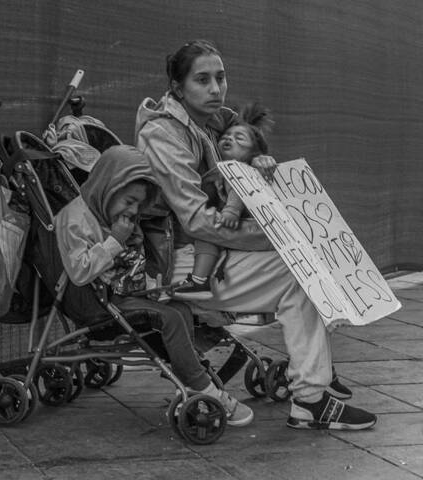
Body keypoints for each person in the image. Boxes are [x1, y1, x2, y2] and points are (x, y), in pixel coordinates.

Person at [134, 39, 375, 430]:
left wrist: (261, 160)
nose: (216, 89)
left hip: (207, 251)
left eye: (221, 77)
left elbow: (245, 168)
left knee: (304, 264)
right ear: (178, 88)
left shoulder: (212, 123)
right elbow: (196, 220)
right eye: (202, 80)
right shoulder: (163, 134)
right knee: (299, 271)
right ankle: (312, 396)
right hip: (174, 266)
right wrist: (280, 236)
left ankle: (314, 385)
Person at [54, 144, 254, 426]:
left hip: (121, 294)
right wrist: (115, 242)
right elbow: (79, 272)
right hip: (95, 302)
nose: (133, 209)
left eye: (138, 204)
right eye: (129, 200)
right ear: (107, 186)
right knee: (170, 318)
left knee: (181, 310)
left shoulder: (108, 212)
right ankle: (206, 390)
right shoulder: (73, 218)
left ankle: (189, 375)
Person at [174, 102, 274, 301]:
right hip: (220, 233)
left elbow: (238, 190)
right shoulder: (215, 165)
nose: (229, 138)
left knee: (207, 237)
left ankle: (199, 280)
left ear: (255, 153)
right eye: (226, 136)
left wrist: (231, 211)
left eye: (239, 138)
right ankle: (199, 281)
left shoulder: (242, 169)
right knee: (206, 238)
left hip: (237, 227)